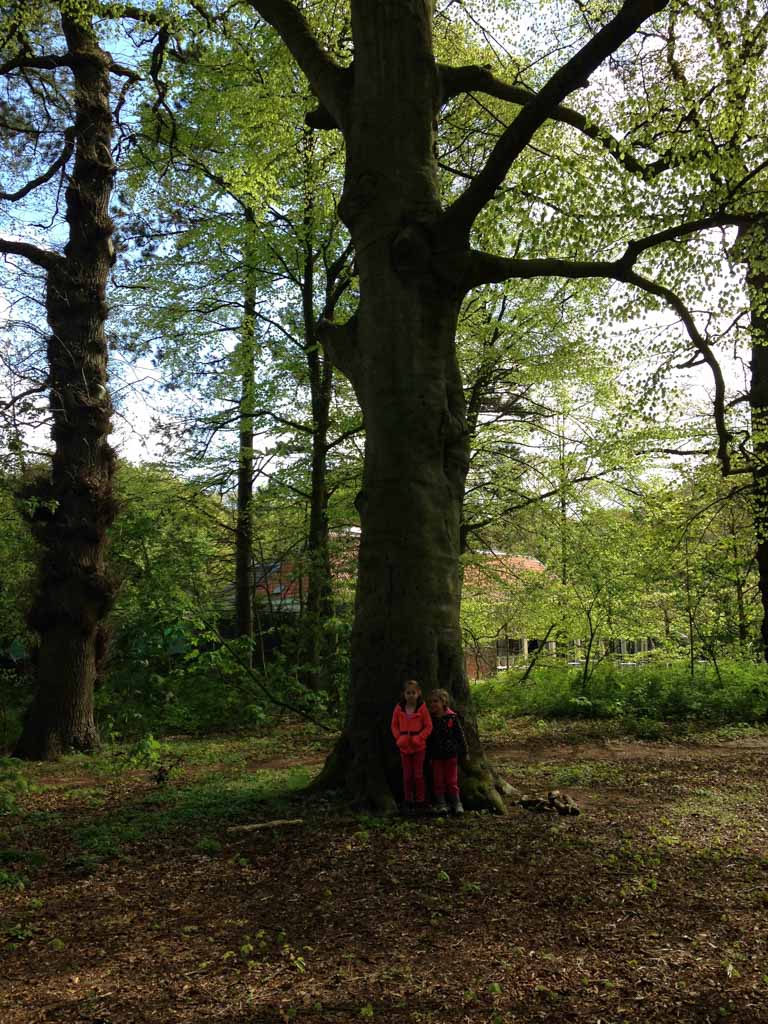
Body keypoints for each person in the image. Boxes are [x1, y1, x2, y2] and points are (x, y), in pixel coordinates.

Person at [391, 680, 433, 813]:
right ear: (403, 694)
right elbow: (394, 725)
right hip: (404, 745)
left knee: (418, 774)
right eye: (408, 693)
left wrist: (420, 737)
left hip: (418, 746)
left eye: (413, 693)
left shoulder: (422, 708)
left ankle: (420, 800)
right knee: (407, 775)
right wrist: (399, 737)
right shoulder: (399, 708)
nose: (410, 695)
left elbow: (428, 726)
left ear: (418, 693)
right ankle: (408, 799)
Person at [427, 689, 468, 815]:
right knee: (438, 780)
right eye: (431, 702)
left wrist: (465, 751)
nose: (433, 704)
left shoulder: (452, 717)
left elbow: (460, 735)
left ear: (443, 702)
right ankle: (442, 803)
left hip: (451, 755)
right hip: (436, 755)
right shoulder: (430, 719)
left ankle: (456, 803)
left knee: (451, 781)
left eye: (436, 701)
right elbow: (428, 738)